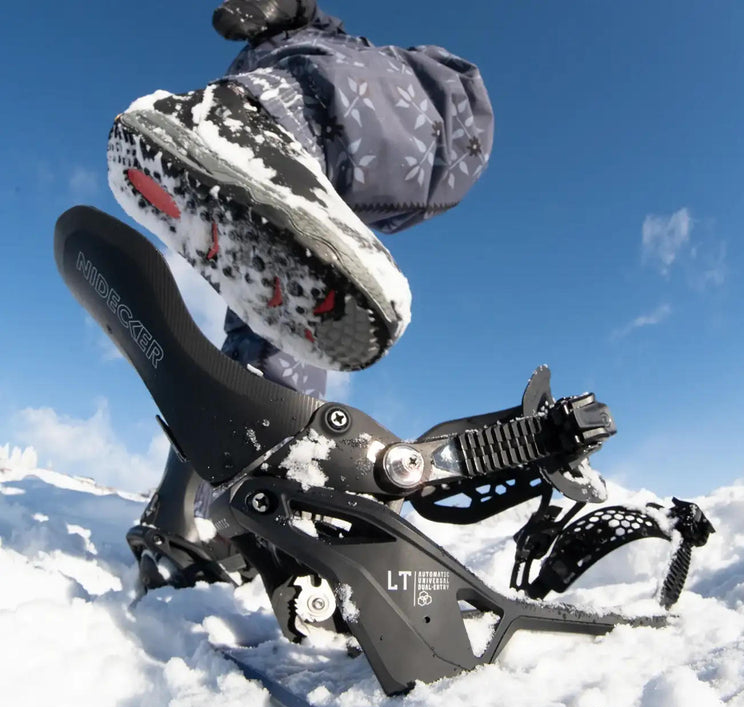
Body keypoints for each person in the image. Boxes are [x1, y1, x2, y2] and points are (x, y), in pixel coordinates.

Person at [115, 0, 494, 589]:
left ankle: (259, 126)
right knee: (264, 333)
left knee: (401, 80)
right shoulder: (254, 57)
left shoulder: (321, 43)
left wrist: (285, 13)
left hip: (383, 116)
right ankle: (208, 510)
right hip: (277, 167)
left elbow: (312, 25)